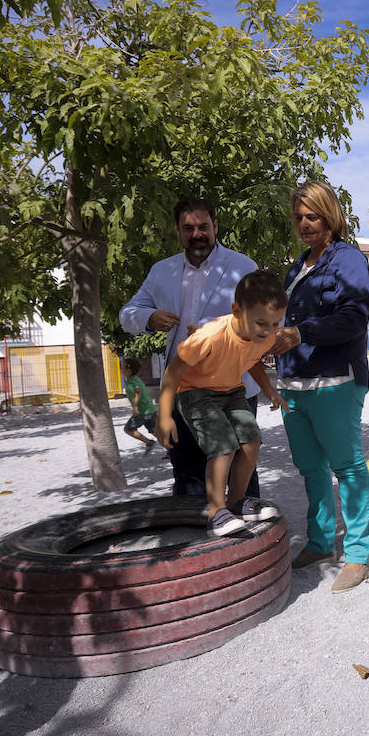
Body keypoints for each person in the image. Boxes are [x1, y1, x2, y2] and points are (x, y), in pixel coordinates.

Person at [270, 180, 369, 595]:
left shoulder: (348, 259)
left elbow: (353, 318)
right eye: (298, 217)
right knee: (310, 467)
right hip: (293, 384)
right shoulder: (297, 266)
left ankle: (358, 555)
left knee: (347, 467)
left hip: (335, 381)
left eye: (312, 215)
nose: (304, 224)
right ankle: (319, 542)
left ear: (329, 215)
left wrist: (299, 334)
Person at [120, 198, 261, 499]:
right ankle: (194, 540)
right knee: (187, 474)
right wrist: (149, 317)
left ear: (215, 227)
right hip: (182, 390)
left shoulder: (243, 266)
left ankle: (247, 540)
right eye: (189, 228)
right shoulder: (161, 272)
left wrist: (217, 328)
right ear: (178, 231)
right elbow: (127, 314)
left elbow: (261, 320)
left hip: (232, 389)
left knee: (240, 470)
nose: (197, 234)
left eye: (203, 227)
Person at [155, 270, 287, 537]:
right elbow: (173, 372)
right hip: (195, 392)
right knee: (223, 447)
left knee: (251, 441)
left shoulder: (265, 336)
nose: (270, 332)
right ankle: (217, 512)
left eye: (275, 324)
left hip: (231, 391)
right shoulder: (210, 336)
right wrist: (164, 415)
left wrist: (269, 390)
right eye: (262, 323)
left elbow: (252, 361)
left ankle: (236, 503)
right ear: (237, 311)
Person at [121, 358, 158, 454]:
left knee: (128, 429)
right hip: (151, 409)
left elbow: (137, 392)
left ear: (128, 371)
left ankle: (149, 443)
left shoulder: (131, 381)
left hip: (142, 411)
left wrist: (135, 407)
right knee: (155, 432)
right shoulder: (136, 379)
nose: (121, 370)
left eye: (122, 368)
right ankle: (172, 448)